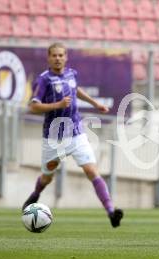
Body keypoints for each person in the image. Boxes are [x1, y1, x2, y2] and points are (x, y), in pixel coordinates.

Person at [22, 43, 123, 228]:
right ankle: (34, 196)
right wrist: (57, 105)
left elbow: (76, 90)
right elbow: (33, 106)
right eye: (54, 55)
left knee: (92, 171)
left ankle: (111, 212)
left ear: (66, 56)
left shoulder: (71, 74)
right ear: (49, 58)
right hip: (53, 139)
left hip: (76, 134)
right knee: (47, 177)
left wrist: (95, 104)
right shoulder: (44, 80)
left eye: (61, 55)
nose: (58, 58)